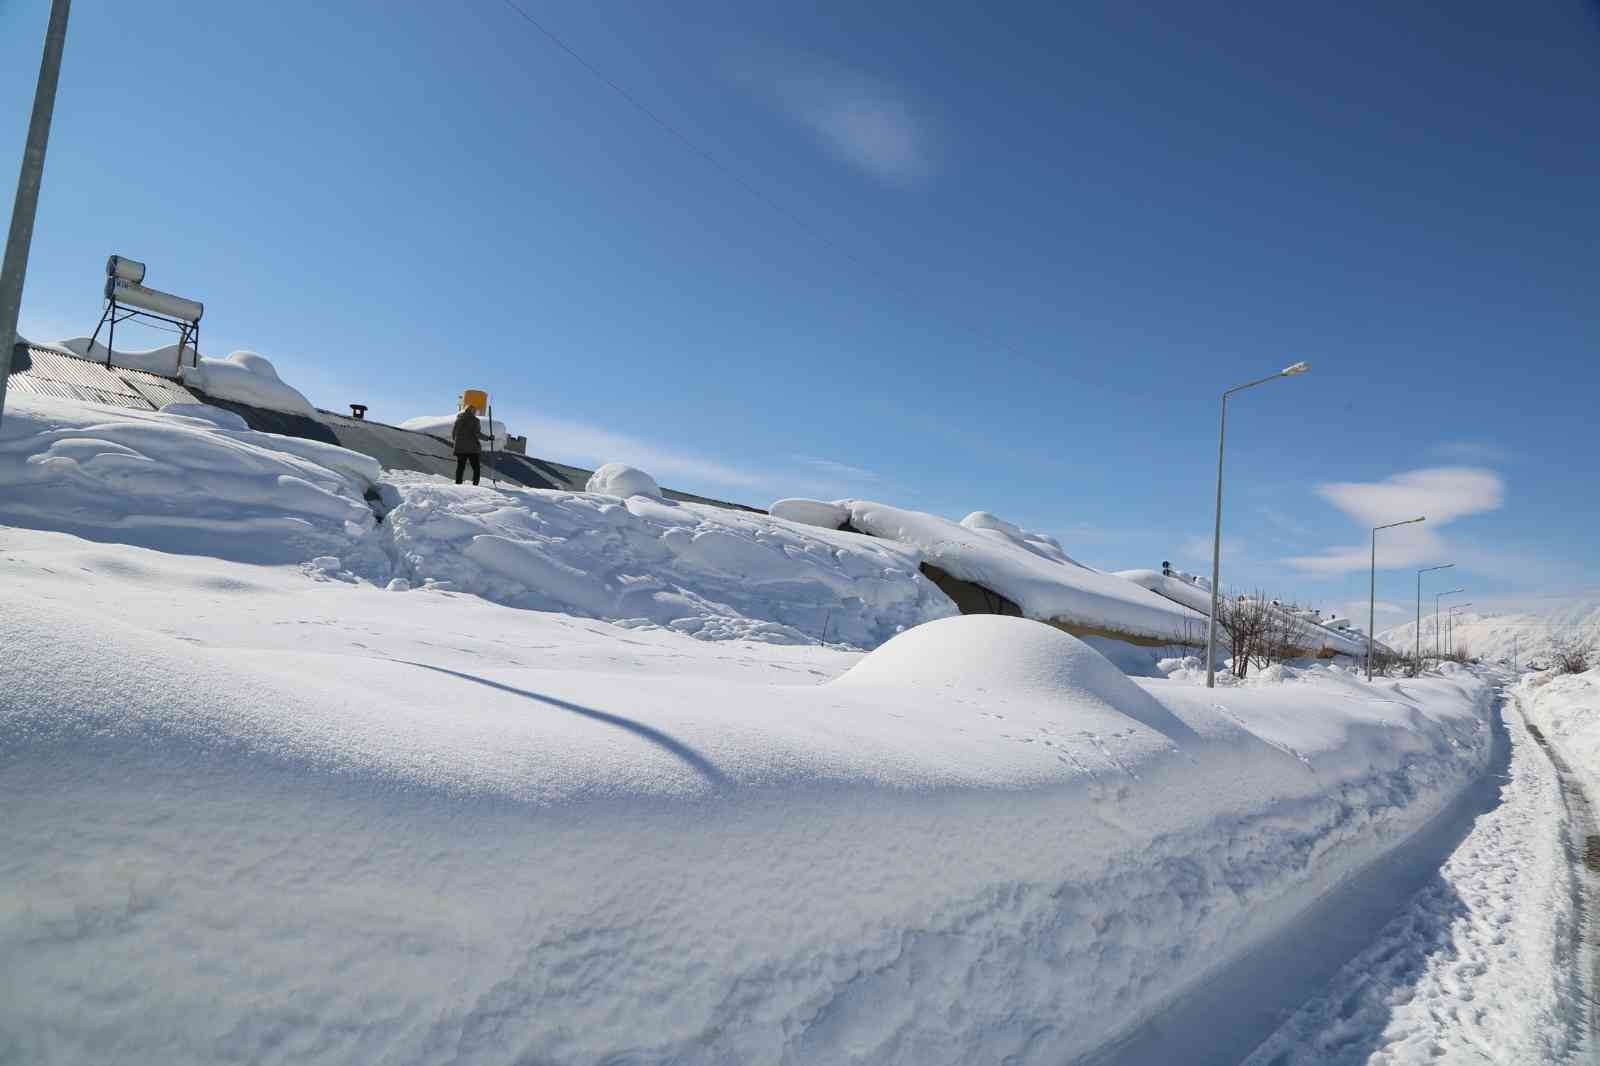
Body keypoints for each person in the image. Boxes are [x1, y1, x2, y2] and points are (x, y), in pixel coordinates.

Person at [451, 404, 491, 485]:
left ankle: (458, 483)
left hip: (460, 448)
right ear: (472, 411)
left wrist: (458, 442)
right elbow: (477, 433)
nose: (476, 412)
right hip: (472, 449)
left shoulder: (458, 419)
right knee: (476, 468)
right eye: (475, 411)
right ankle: (475, 485)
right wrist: (488, 438)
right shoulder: (475, 420)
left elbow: (453, 433)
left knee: (460, 467)